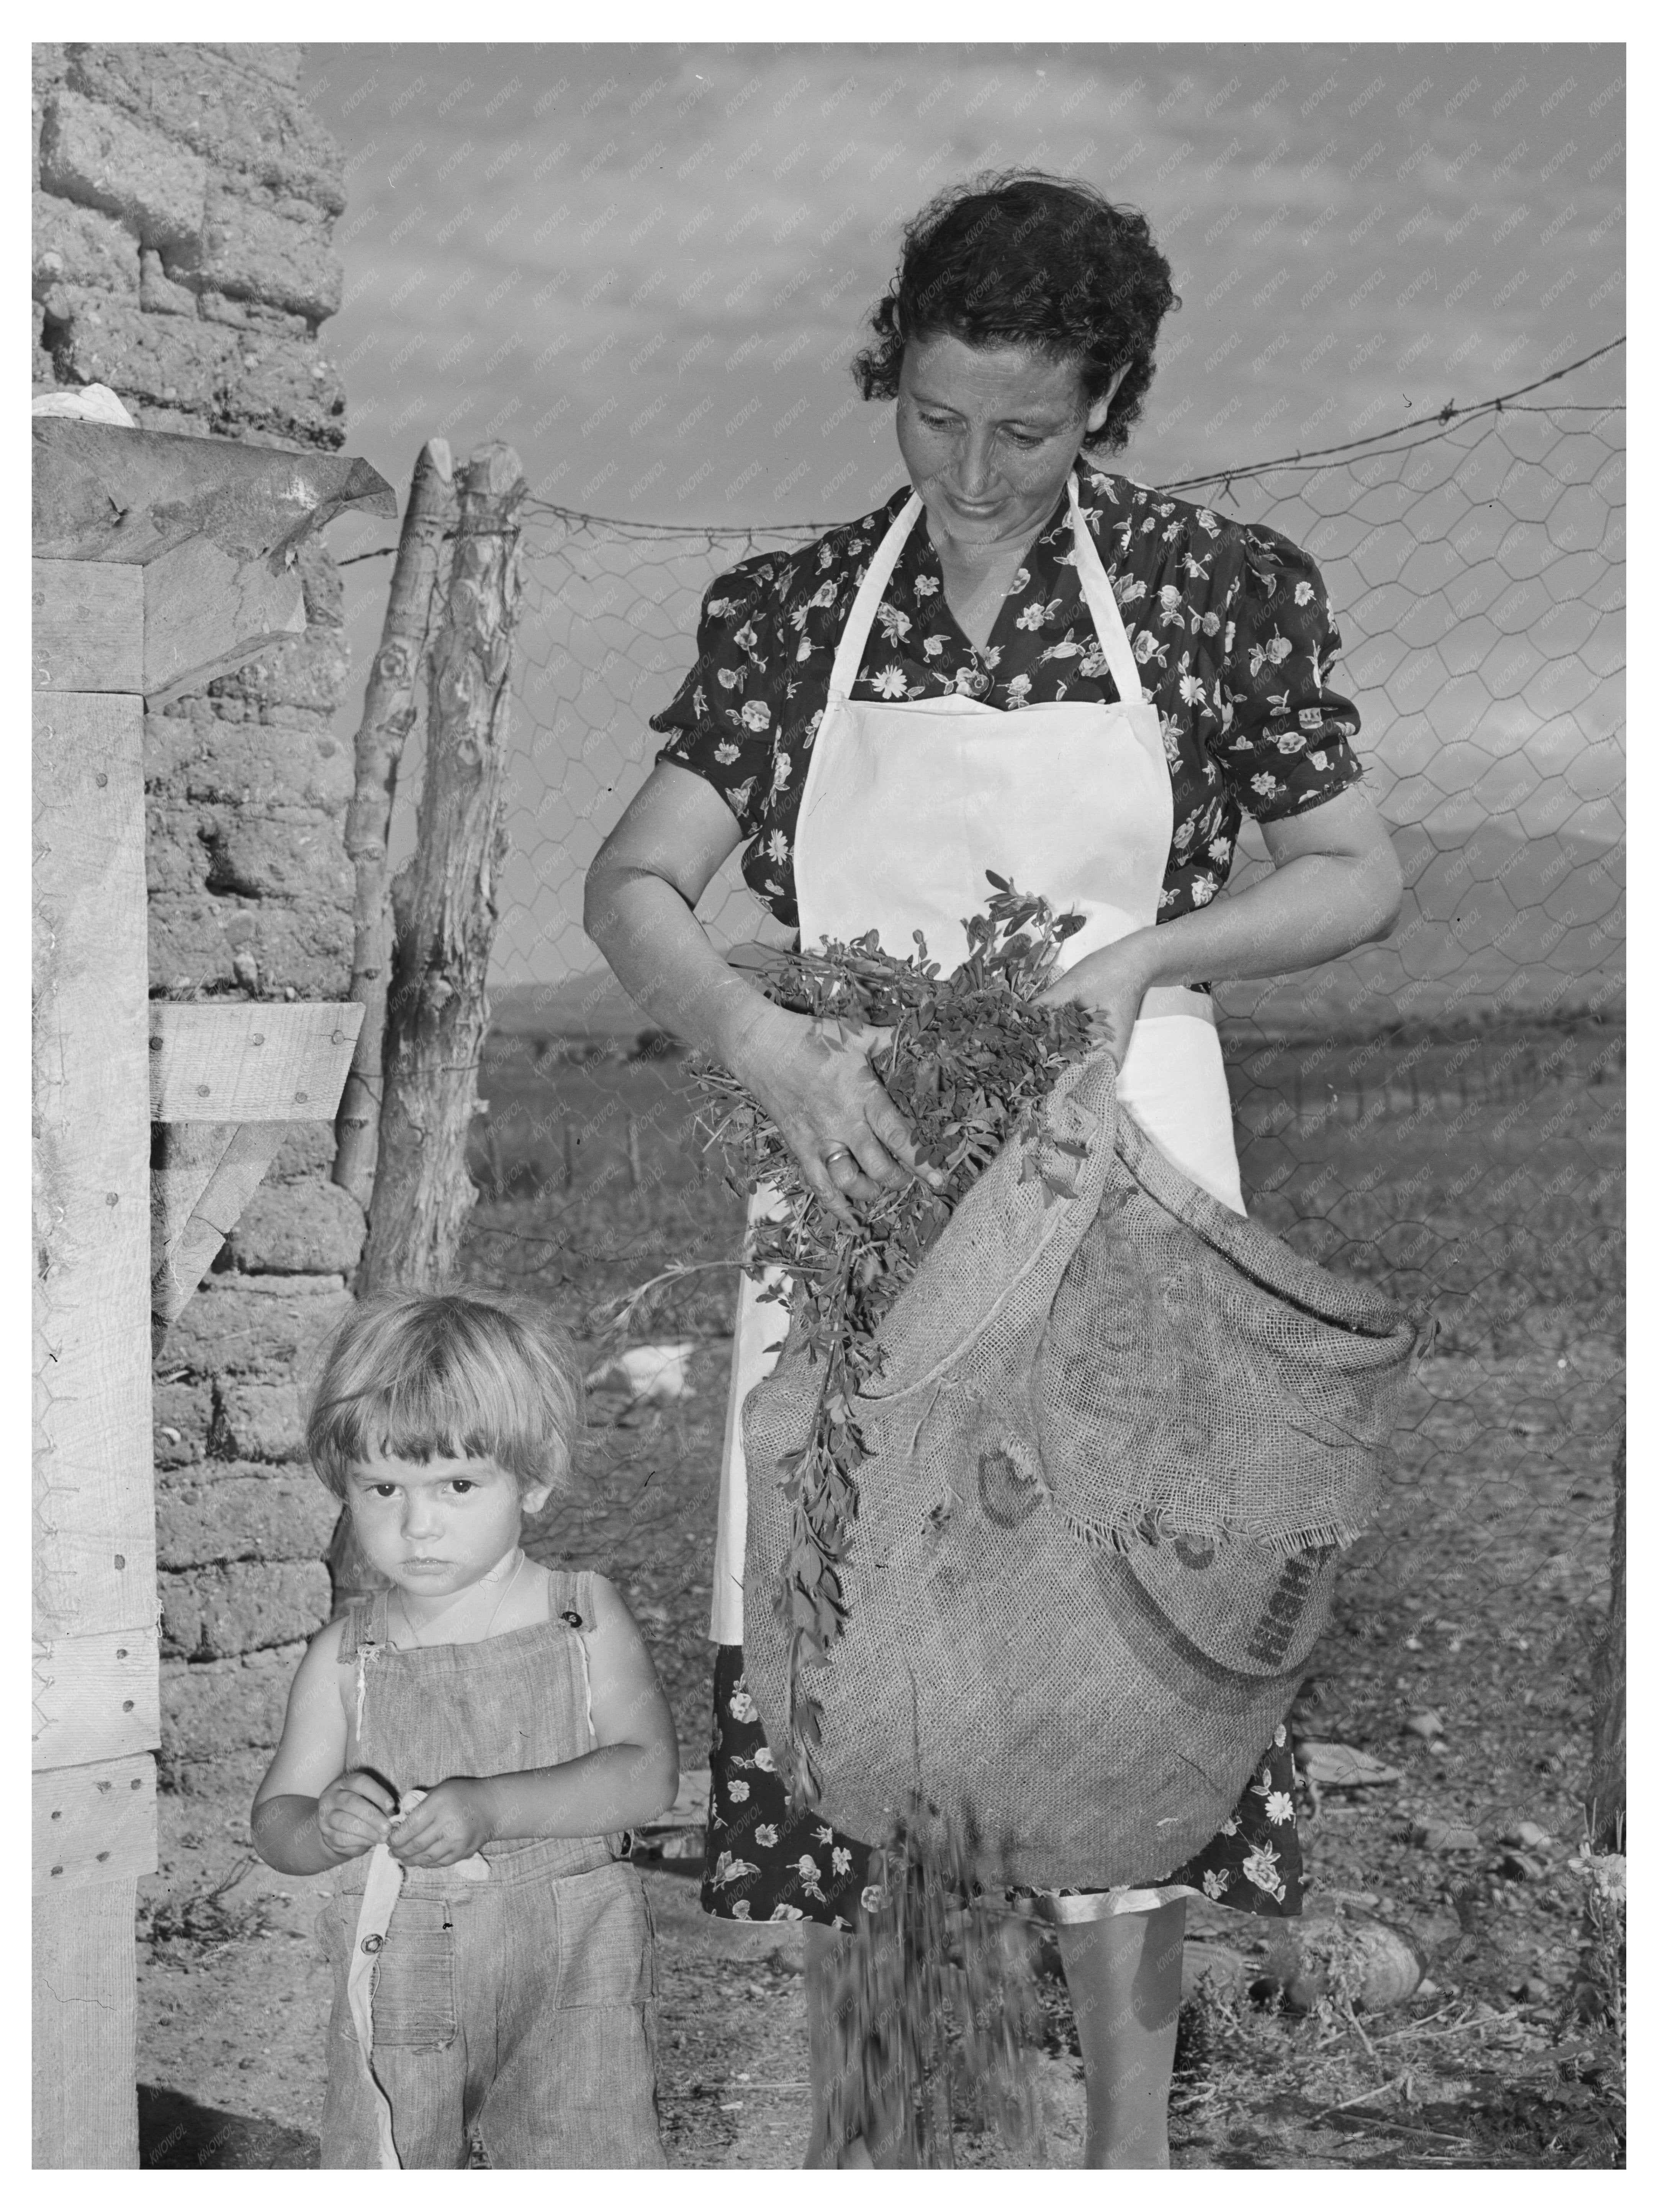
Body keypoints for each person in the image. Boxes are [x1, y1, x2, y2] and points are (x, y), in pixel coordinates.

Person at [583, 170, 1404, 2168]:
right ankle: (889, 2132)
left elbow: (1356, 871)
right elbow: (632, 883)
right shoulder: (791, 612)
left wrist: (1149, 955)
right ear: (894, 372)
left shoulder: (1217, 588)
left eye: (1022, 430)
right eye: (932, 415)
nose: (968, 468)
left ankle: (1120, 2160)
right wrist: (757, 1033)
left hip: (1115, 1165)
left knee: (1118, 1666)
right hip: (856, 1162)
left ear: (1102, 402)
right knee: (854, 1653)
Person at [252, 1290, 676, 2169]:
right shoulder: (346, 1655)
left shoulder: (581, 1615)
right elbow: (276, 1821)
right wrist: (320, 1826)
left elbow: (646, 1776)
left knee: (588, 2158)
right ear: (344, 1485)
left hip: (574, 1969)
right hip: (407, 1958)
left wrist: (492, 1805)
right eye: (382, 1488)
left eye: (457, 1483)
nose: (417, 1524)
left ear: (534, 1477)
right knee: (389, 2158)